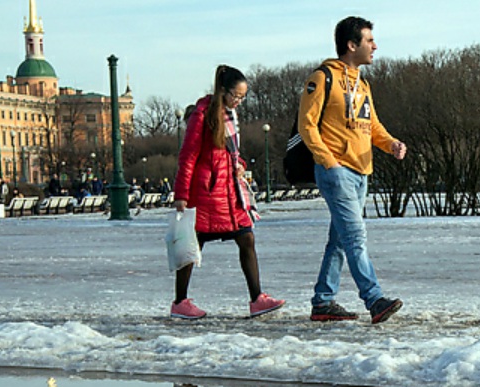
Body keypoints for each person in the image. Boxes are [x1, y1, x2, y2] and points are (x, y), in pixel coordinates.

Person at [299, 16, 407, 323]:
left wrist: (391, 144)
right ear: (351, 45)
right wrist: (328, 161)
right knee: (355, 237)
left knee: (340, 240)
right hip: (336, 171)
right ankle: (374, 300)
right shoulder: (322, 79)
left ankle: (323, 301)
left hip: (362, 172)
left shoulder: (363, 84)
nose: (375, 46)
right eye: (369, 40)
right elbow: (306, 125)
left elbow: (372, 126)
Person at [172, 65, 285, 319]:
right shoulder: (202, 115)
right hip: (206, 192)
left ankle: (257, 299)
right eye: (236, 95)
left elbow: (229, 153)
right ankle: (180, 302)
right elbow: (188, 155)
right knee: (194, 244)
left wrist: (240, 166)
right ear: (222, 91)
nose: (239, 102)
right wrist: (181, 194)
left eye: (243, 97)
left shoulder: (230, 116)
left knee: (247, 237)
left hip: (229, 190)